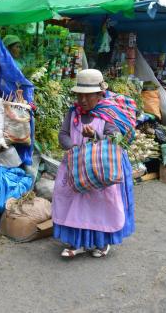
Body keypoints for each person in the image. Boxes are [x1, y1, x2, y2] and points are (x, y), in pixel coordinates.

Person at [52, 69, 135, 258]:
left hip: (100, 168)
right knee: (73, 202)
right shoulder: (73, 113)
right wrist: (74, 148)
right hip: (75, 166)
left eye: (87, 96)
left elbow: (115, 139)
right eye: (79, 95)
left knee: (100, 205)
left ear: (100, 94)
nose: (82, 100)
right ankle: (76, 242)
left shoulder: (108, 113)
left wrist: (95, 136)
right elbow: (63, 134)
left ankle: (101, 242)